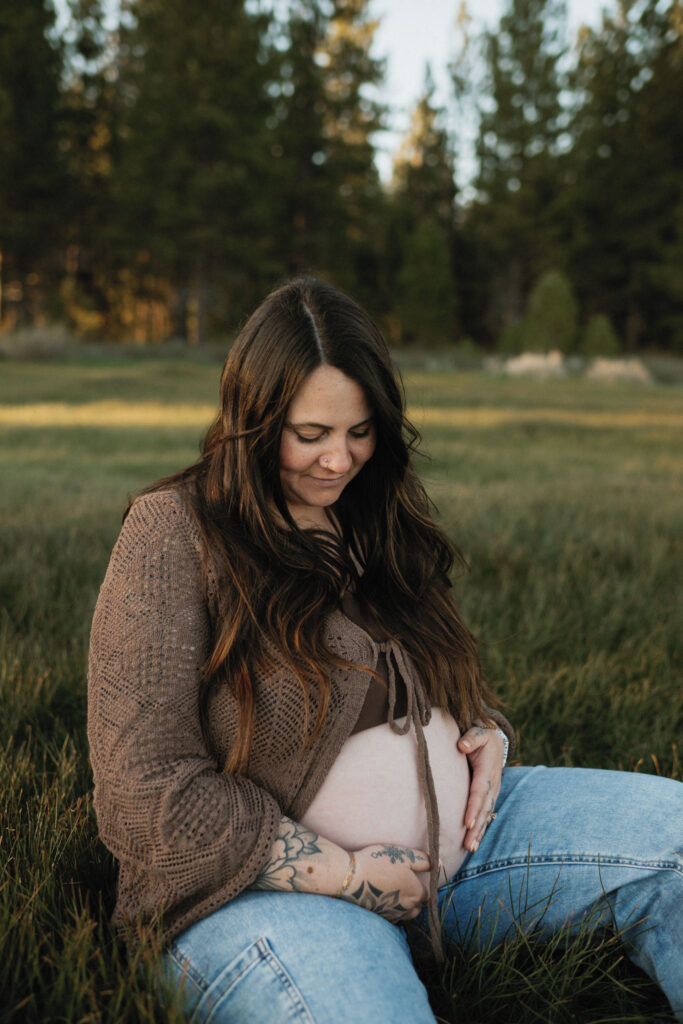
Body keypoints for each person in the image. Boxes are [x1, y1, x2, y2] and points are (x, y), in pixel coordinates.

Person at [88, 277, 683, 1023]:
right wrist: (345, 872)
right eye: (310, 435)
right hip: (260, 893)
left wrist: (486, 728)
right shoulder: (174, 532)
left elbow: (420, 674)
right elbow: (143, 789)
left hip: (463, 861)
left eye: (359, 431)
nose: (339, 461)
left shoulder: (372, 515)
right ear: (251, 416)